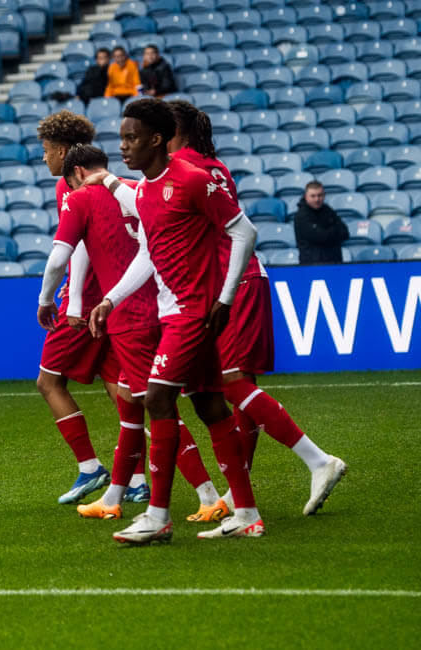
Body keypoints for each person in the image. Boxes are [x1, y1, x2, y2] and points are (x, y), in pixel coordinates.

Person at [87, 98, 263, 543]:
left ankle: (157, 516)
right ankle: (246, 513)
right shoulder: (145, 192)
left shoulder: (192, 180)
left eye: (131, 138)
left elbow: (244, 231)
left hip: (192, 312)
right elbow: (149, 254)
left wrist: (225, 297)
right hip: (175, 313)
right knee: (209, 406)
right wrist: (111, 298)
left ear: (157, 139)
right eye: (122, 137)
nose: (123, 146)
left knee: (157, 400)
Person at [170, 102, 346, 515]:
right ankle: (239, 490)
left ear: (172, 132)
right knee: (239, 388)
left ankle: (318, 460)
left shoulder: (181, 168)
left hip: (233, 282)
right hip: (242, 277)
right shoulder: (213, 165)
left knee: (231, 385)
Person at [47, 144, 225, 522]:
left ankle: (208, 495)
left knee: (158, 407)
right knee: (130, 406)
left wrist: (51, 300)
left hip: (130, 316)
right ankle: (113, 496)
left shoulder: (79, 198)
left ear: (77, 173)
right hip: (156, 303)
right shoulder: (136, 189)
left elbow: (63, 254)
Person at [34, 111, 128, 506]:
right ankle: (136, 477)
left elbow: (78, 246)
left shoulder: (68, 185)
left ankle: (91, 467)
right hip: (112, 297)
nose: (44, 158)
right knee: (117, 385)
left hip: (86, 300)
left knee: (48, 382)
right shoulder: (110, 179)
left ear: (61, 151)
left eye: (45, 150)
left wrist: (69, 299)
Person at [293, 181, 348, 265]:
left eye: (320, 195)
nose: (317, 199)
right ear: (306, 196)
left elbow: (345, 233)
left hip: (335, 263)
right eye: (313, 196)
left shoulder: (328, 210)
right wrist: (334, 231)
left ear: (324, 195)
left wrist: (326, 233)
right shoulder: (301, 216)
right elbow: (320, 237)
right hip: (311, 265)